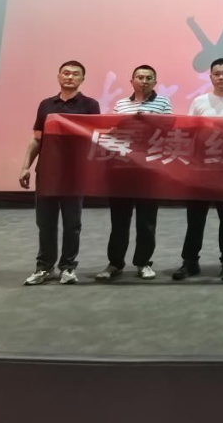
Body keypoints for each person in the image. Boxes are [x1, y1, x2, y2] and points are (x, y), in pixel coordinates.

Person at [20, 61, 100, 286]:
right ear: (58, 77)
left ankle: (68, 267)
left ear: (82, 79)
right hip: (47, 172)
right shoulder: (46, 105)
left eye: (75, 74)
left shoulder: (90, 105)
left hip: (75, 173)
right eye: (66, 73)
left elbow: (95, 138)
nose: (70, 77)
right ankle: (44, 267)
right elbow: (37, 139)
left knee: (72, 224)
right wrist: (25, 166)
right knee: (45, 223)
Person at [172, 57, 223, 283]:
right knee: (195, 219)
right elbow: (190, 134)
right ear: (210, 77)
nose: (221, 78)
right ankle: (190, 261)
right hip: (201, 169)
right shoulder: (199, 102)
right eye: (216, 74)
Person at [96, 64, 173, 282]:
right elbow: (112, 132)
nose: (144, 81)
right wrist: (124, 124)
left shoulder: (163, 102)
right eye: (140, 77)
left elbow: (169, 130)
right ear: (132, 81)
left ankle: (143, 262)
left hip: (149, 170)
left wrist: (147, 121)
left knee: (146, 221)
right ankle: (115, 263)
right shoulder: (121, 104)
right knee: (119, 220)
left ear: (155, 82)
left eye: (149, 78)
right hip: (123, 169)